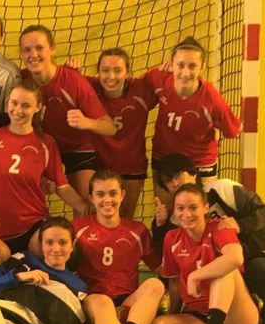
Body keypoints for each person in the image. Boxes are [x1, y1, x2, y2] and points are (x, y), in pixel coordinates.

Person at [148, 183, 265, 324]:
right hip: (197, 316)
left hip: (235, 317)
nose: (186, 214)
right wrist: (173, 315)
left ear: (205, 208)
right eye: (180, 208)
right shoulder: (172, 238)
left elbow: (235, 258)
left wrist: (196, 276)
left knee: (223, 268)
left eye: (193, 207)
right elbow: (175, 284)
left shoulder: (220, 228)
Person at [0, 80, 87, 254]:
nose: (18, 110)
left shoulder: (46, 143)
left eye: (26, 105)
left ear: (38, 107)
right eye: (14, 103)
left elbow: (62, 187)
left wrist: (87, 209)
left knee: (54, 252)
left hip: (33, 226)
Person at [73, 170, 163, 324]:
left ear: (122, 195)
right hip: (94, 305)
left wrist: (162, 227)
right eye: (101, 194)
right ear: (91, 197)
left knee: (155, 285)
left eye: (113, 193)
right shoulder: (77, 229)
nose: (107, 200)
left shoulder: (137, 231)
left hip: (126, 307)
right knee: (102, 301)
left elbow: (162, 269)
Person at [151, 153, 265, 309]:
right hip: (208, 269)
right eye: (168, 181)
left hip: (249, 255)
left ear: (193, 173)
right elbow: (168, 261)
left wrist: (241, 225)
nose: (175, 183)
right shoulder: (176, 219)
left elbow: (262, 211)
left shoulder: (221, 188)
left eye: (178, 175)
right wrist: (159, 226)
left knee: (259, 269)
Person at [19, 25, 116, 202]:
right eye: (27, 50)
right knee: (22, 195)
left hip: (77, 150)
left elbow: (110, 127)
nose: (33, 55)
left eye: (39, 48)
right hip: (41, 148)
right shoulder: (21, 80)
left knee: (88, 204)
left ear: (52, 49)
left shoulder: (72, 79)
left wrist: (87, 123)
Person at [145, 37, 242, 192]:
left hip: (199, 161)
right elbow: (141, 83)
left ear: (202, 67)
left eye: (192, 66)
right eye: (180, 65)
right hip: (165, 156)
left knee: (203, 208)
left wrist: (215, 127)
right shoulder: (158, 80)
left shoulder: (211, 98)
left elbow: (234, 130)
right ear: (171, 65)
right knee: (165, 211)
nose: (185, 72)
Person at [86, 48, 158, 217]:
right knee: (94, 215)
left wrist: (168, 68)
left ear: (128, 73)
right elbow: (65, 78)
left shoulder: (141, 90)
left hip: (132, 168)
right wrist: (71, 67)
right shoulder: (89, 89)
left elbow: (168, 84)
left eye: (118, 70)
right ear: (98, 72)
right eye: (105, 70)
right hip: (100, 168)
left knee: (125, 216)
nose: (111, 77)